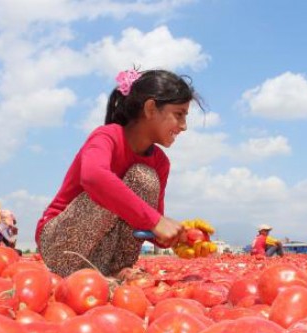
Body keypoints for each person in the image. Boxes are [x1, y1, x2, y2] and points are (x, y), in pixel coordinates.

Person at [36, 68, 202, 277]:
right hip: (61, 247)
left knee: (144, 177)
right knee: (121, 182)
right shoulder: (107, 137)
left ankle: (113, 271)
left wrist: (181, 237)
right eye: (179, 115)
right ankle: (84, 273)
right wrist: (156, 222)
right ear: (151, 108)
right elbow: (94, 177)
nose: (184, 126)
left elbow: (149, 222)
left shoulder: (160, 162)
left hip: (103, 257)